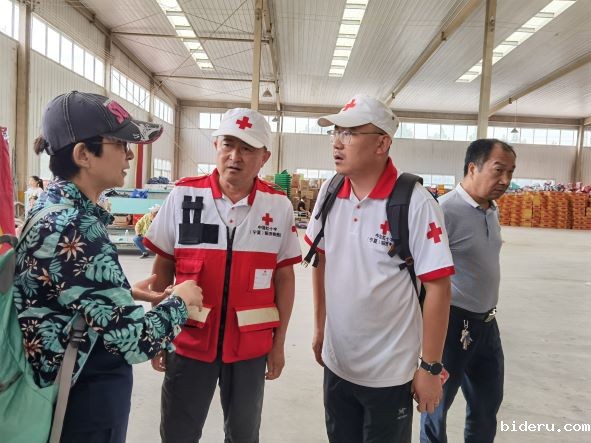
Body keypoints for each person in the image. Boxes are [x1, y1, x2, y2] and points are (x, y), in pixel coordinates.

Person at [13, 90, 204, 442]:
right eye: (120, 143)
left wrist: (124, 294)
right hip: (81, 401)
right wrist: (182, 299)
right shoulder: (75, 227)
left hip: (67, 388)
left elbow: (63, 289)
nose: (130, 154)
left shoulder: (49, 208)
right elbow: (134, 341)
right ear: (83, 154)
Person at [144, 108, 302, 442]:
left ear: (264, 157)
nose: (235, 156)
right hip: (188, 341)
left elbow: (285, 278)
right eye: (228, 144)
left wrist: (279, 344)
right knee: (178, 433)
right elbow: (163, 266)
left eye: (247, 148)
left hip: (249, 348)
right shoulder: (184, 196)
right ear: (215, 145)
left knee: (244, 434)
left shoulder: (278, 206)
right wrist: (158, 333)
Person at [305, 94, 455, 443]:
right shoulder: (330, 192)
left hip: (389, 374)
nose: (337, 142)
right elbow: (320, 259)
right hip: (338, 364)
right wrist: (320, 327)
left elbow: (438, 287)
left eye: (349, 133)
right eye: (335, 132)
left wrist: (430, 366)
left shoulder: (415, 202)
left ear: (382, 143)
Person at [420, 139, 517, 443]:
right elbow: (421, 274)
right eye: (498, 170)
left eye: (511, 172)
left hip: (487, 325)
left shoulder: (491, 209)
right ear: (473, 168)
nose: (505, 180)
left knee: (486, 408)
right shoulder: (443, 211)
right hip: (452, 328)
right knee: (435, 409)